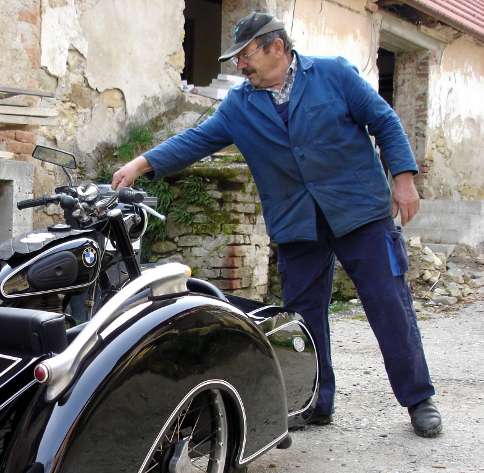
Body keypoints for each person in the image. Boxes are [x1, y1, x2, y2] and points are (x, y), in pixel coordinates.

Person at [112, 12, 442, 437]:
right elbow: (195, 140)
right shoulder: (239, 105)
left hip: (360, 212)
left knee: (388, 305)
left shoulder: (334, 74)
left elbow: (385, 121)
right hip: (296, 223)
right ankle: (315, 402)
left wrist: (404, 181)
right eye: (237, 58)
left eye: (246, 55)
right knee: (302, 320)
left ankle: (419, 399)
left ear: (276, 47)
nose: (239, 66)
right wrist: (141, 164)